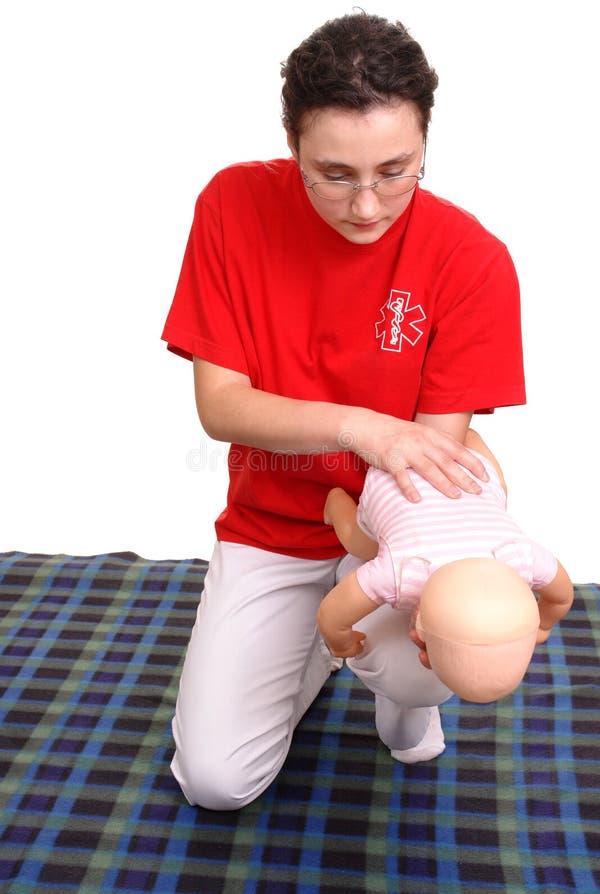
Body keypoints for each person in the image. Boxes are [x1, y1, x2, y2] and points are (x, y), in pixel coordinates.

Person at [162, 12, 527, 810]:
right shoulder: (231, 205)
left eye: (397, 170)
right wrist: (359, 425)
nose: (367, 206)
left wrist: (373, 575)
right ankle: (315, 655)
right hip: (270, 525)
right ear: (291, 143)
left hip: (392, 530)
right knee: (215, 782)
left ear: (426, 141)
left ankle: (394, 694)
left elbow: (427, 474)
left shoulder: (474, 261)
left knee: (417, 664)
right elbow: (221, 407)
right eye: (333, 174)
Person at [318, 429, 573, 715]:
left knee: (496, 487)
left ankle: (467, 436)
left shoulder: (522, 555)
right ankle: (335, 502)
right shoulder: (403, 570)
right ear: (421, 634)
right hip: (395, 474)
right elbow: (332, 614)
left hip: (463, 469)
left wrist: (544, 622)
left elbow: (561, 597)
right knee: (359, 543)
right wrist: (341, 641)